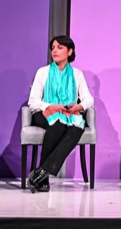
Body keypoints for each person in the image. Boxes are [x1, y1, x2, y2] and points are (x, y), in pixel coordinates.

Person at [26, 35, 94, 193]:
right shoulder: (43, 72)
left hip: (68, 114)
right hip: (44, 113)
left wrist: (78, 106)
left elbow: (89, 99)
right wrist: (52, 106)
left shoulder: (77, 74)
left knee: (77, 127)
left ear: (70, 52)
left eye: (60, 47)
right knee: (58, 124)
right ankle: (43, 176)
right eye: (53, 48)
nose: (54, 50)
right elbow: (33, 101)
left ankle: (41, 173)